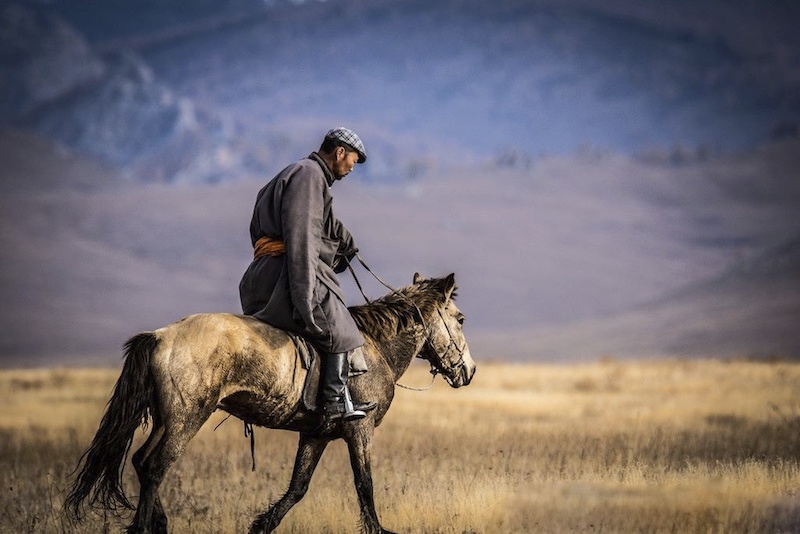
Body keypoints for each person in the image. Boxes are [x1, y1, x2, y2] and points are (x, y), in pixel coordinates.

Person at [239, 127, 375, 422]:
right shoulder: (310, 176)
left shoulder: (305, 174)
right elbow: (303, 239)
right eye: (352, 159)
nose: (353, 167)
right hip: (282, 276)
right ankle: (333, 402)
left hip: (266, 272)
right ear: (339, 152)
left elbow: (325, 224)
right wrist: (305, 295)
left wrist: (347, 245)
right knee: (341, 327)